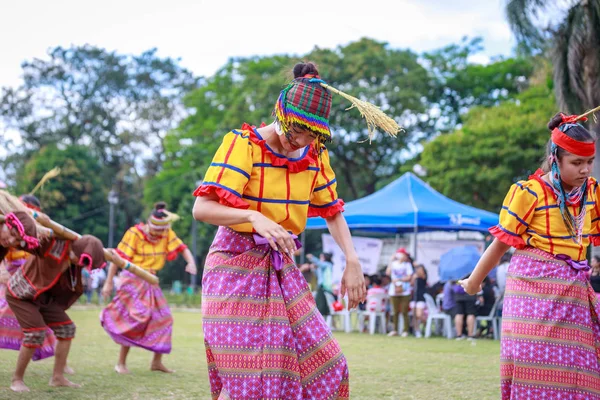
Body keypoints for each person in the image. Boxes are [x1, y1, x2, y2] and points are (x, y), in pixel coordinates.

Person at [193, 62, 368, 399]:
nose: (300, 140)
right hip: (233, 265)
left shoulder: (314, 156)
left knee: (330, 364)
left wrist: (352, 259)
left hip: (281, 266)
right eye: (295, 129)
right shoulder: (244, 144)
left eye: (310, 133)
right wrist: (255, 218)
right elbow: (202, 208)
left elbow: (332, 212)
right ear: (281, 114)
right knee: (252, 374)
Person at [460, 112, 600, 399]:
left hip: (573, 297)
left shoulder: (593, 192)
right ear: (554, 159)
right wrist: (474, 283)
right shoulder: (529, 193)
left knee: (577, 371)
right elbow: (499, 245)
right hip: (532, 297)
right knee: (532, 365)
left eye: (589, 162)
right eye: (576, 163)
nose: (585, 170)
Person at [100, 201, 197, 374]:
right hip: (132, 280)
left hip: (151, 280)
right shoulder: (135, 233)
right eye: (157, 230)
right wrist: (108, 282)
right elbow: (117, 258)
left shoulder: (166, 233)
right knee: (136, 318)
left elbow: (183, 248)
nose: (159, 233)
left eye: (162, 230)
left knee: (165, 318)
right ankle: (121, 363)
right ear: (149, 225)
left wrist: (191, 262)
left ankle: (156, 362)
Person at [6, 234, 106, 392]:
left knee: (67, 329)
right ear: (76, 249)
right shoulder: (53, 244)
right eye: (79, 259)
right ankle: (16, 379)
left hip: (43, 297)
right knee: (35, 333)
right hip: (21, 294)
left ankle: (57, 377)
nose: (78, 263)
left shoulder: (77, 262)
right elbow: (30, 240)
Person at [0, 196, 64, 363]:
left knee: (45, 321)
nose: (13, 240)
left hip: (28, 276)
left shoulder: (29, 228)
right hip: (12, 275)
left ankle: (60, 366)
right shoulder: (10, 219)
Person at [386, 248, 414, 337]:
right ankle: (395, 330)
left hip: (405, 290)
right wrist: (391, 260)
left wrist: (399, 279)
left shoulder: (407, 265)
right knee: (395, 311)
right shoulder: (393, 264)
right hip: (393, 290)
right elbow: (388, 272)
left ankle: (405, 330)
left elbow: (409, 277)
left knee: (404, 311)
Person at [307, 252, 334, 317]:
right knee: (320, 306)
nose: (320, 259)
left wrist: (312, 258)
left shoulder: (328, 265)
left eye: (321, 257)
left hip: (325, 288)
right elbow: (318, 275)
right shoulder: (323, 266)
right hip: (321, 287)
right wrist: (313, 268)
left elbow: (319, 263)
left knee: (322, 306)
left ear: (324, 258)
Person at [411, 264, 428, 338]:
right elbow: (411, 284)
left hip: (421, 297)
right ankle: (417, 330)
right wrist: (413, 278)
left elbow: (423, 276)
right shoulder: (415, 277)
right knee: (414, 316)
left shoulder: (423, 277)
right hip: (414, 298)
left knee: (419, 315)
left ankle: (426, 324)